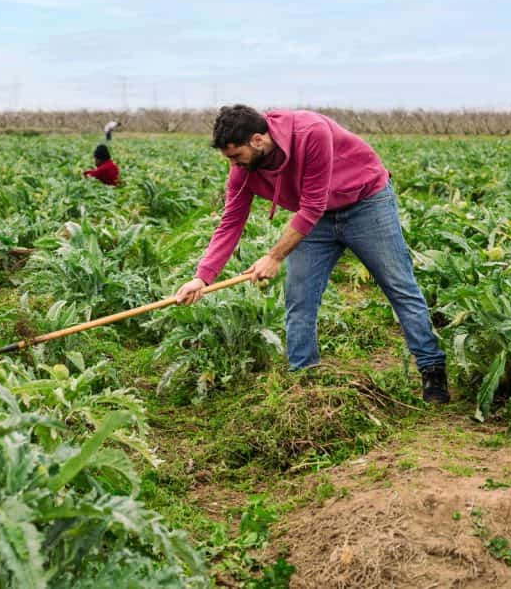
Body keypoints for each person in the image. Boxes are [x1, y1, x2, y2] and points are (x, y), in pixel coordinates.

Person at [173, 105, 449, 403]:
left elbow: (313, 205)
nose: (234, 164)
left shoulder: (310, 132)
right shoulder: (242, 171)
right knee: (299, 298)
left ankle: (431, 368)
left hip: (366, 202)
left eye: (236, 156)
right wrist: (201, 278)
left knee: (399, 286)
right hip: (314, 219)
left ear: (257, 140)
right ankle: (304, 382)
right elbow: (231, 223)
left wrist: (275, 256)